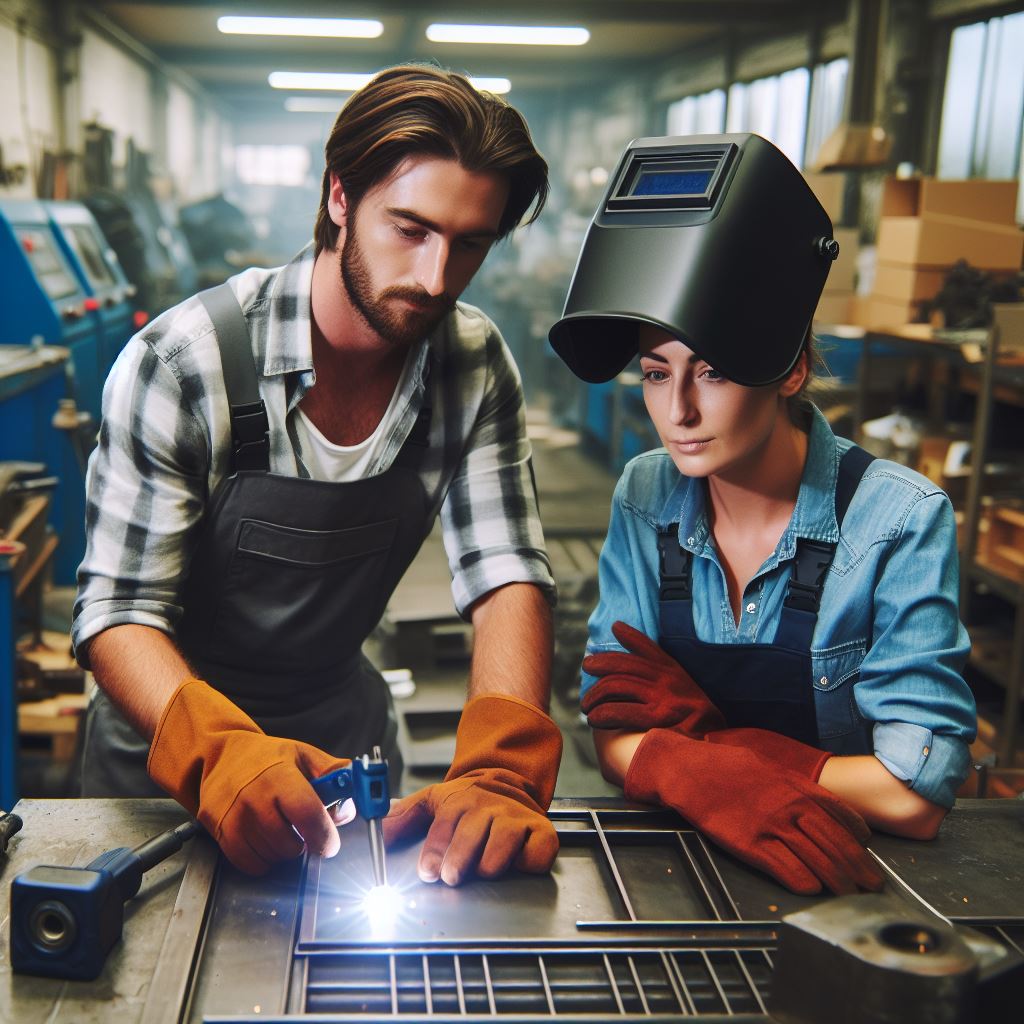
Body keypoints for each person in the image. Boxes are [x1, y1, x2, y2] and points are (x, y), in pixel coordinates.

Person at [72, 65, 562, 885]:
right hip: (168, 771)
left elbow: (507, 570)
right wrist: (220, 753)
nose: (438, 277)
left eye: (470, 242)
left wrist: (502, 769)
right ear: (340, 196)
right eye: (410, 228)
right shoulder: (185, 364)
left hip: (344, 751)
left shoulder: (472, 362)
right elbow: (119, 612)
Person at [548, 133, 977, 896]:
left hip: (847, 875)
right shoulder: (644, 494)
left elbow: (915, 794)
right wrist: (694, 771)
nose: (677, 410)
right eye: (655, 373)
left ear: (791, 368)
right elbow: (611, 726)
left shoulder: (899, 520)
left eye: (711, 371)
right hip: (674, 875)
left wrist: (714, 747)